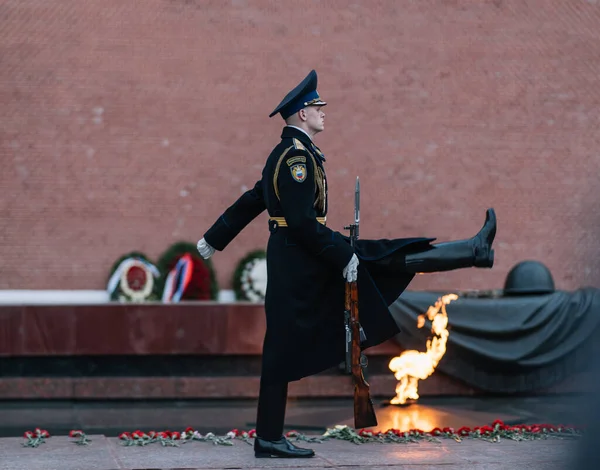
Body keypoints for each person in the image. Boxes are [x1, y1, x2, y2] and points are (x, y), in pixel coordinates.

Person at [196, 70, 497, 458]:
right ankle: (268, 437)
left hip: (304, 254)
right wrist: (343, 255)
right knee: (281, 346)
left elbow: (255, 198)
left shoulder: (289, 154)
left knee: (385, 257)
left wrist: (214, 238)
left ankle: (472, 250)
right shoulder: (295, 158)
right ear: (302, 115)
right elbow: (301, 222)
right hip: (301, 259)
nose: (324, 112)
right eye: (317, 107)